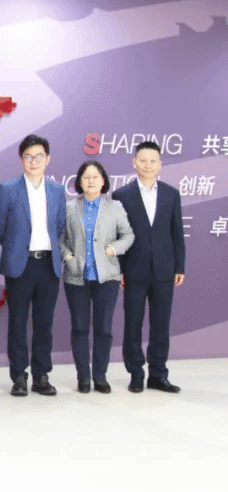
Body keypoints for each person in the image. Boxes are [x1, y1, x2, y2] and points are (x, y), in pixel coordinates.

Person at [0, 134, 66, 397]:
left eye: (39, 156)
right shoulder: (8, 189)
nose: (34, 161)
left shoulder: (57, 190)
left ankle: (41, 375)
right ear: (21, 159)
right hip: (20, 266)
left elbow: (59, 226)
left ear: (48, 159)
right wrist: (16, 248)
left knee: (44, 323)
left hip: (48, 265)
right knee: (18, 322)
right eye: (28, 156)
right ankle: (19, 376)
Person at [111, 141, 186, 393]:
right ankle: (135, 373)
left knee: (161, 324)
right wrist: (119, 268)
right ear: (134, 162)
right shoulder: (122, 195)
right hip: (134, 268)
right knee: (133, 323)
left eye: (153, 161)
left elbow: (177, 233)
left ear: (160, 164)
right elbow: (117, 236)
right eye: (143, 160)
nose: (148, 165)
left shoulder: (171, 194)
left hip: (165, 269)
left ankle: (158, 374)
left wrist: (179, 266)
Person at [61, 160, 134, 394]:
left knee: (103, 329)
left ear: (103, 181)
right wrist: (68, 256)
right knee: (79, 327)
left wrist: (114, 249)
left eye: (95, 176)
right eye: (86, 177)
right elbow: (59, 238)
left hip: (107, 277)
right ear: (79, 182)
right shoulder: (69, 208)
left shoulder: (115, 207)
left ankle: (100, 376)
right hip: (76, 277)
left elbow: (128, 235)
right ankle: (83, 376)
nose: (90, 181)